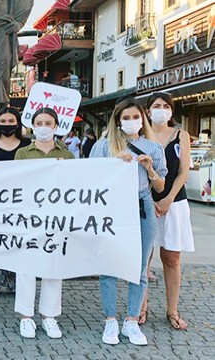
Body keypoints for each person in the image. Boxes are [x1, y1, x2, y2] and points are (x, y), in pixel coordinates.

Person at [90, 98, 167, 346]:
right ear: (117, 120)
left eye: (135, 117)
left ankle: (132, 319)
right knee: (110, 264)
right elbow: (89, 179)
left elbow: (160, 186)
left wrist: (150, 169)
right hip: (111, 207)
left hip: (142, 204)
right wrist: (112, 164)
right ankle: (110, 318)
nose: (131, 122)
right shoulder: (104, 146)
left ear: (142, 120)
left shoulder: (153, 148)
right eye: (126, 118)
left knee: (140, 265)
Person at [12, 108, 74, 339]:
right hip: (29, 215)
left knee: (53, 264)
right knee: (26, 265)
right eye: (39, 122)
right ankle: (26, 317)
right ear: (32, 125)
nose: (44, 126)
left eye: (48, 122)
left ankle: (49, 316)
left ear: (56, 126)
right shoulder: (23, 153)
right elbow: (17, 183)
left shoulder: (67, 155)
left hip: (57, 215)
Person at [141, 92, 193, 330]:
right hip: (144, 202)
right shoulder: (140, 136)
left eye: (166, 106)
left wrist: (169, 198)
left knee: (171, 258)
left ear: (172, 111)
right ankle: (140, 306)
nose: (161, 109)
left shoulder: (180, 135)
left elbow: (183, 171)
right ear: (148, 111)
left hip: (174, 202)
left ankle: (172, 310)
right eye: (156, 106)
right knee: (142, 258)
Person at [0, 107, 31, 299]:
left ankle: (15, 281)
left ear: (18, 123)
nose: (7, 125)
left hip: (22, 199)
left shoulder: (27, 145)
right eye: (3, 121)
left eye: (11, 121)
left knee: (18, 239)